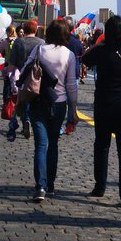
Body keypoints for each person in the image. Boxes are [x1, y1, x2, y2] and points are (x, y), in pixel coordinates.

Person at [81, 14, 121, 207]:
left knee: (102, 146)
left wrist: (99, 42)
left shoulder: (101, 50)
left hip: (105, 104)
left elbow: (85, 59)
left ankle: (100, 186)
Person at [20, 19, 78, 203]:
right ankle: (50, 185)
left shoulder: (39, 50)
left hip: (38, 101)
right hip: (59, 103)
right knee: (53, 144)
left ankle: (41, 186)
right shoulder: (69, 54)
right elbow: (71, 85)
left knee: (40, 145)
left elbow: (25, 70)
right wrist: (74, 109)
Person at [7, 19, 42, 140]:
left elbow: (12, 62)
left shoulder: (18, 42)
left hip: (21, 76)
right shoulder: (41, 42)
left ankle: (26, 120)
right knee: (34, 101)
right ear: (36, 30)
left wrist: (9, 74)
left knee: (24, 101)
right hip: (37, 77)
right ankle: (32, 122)